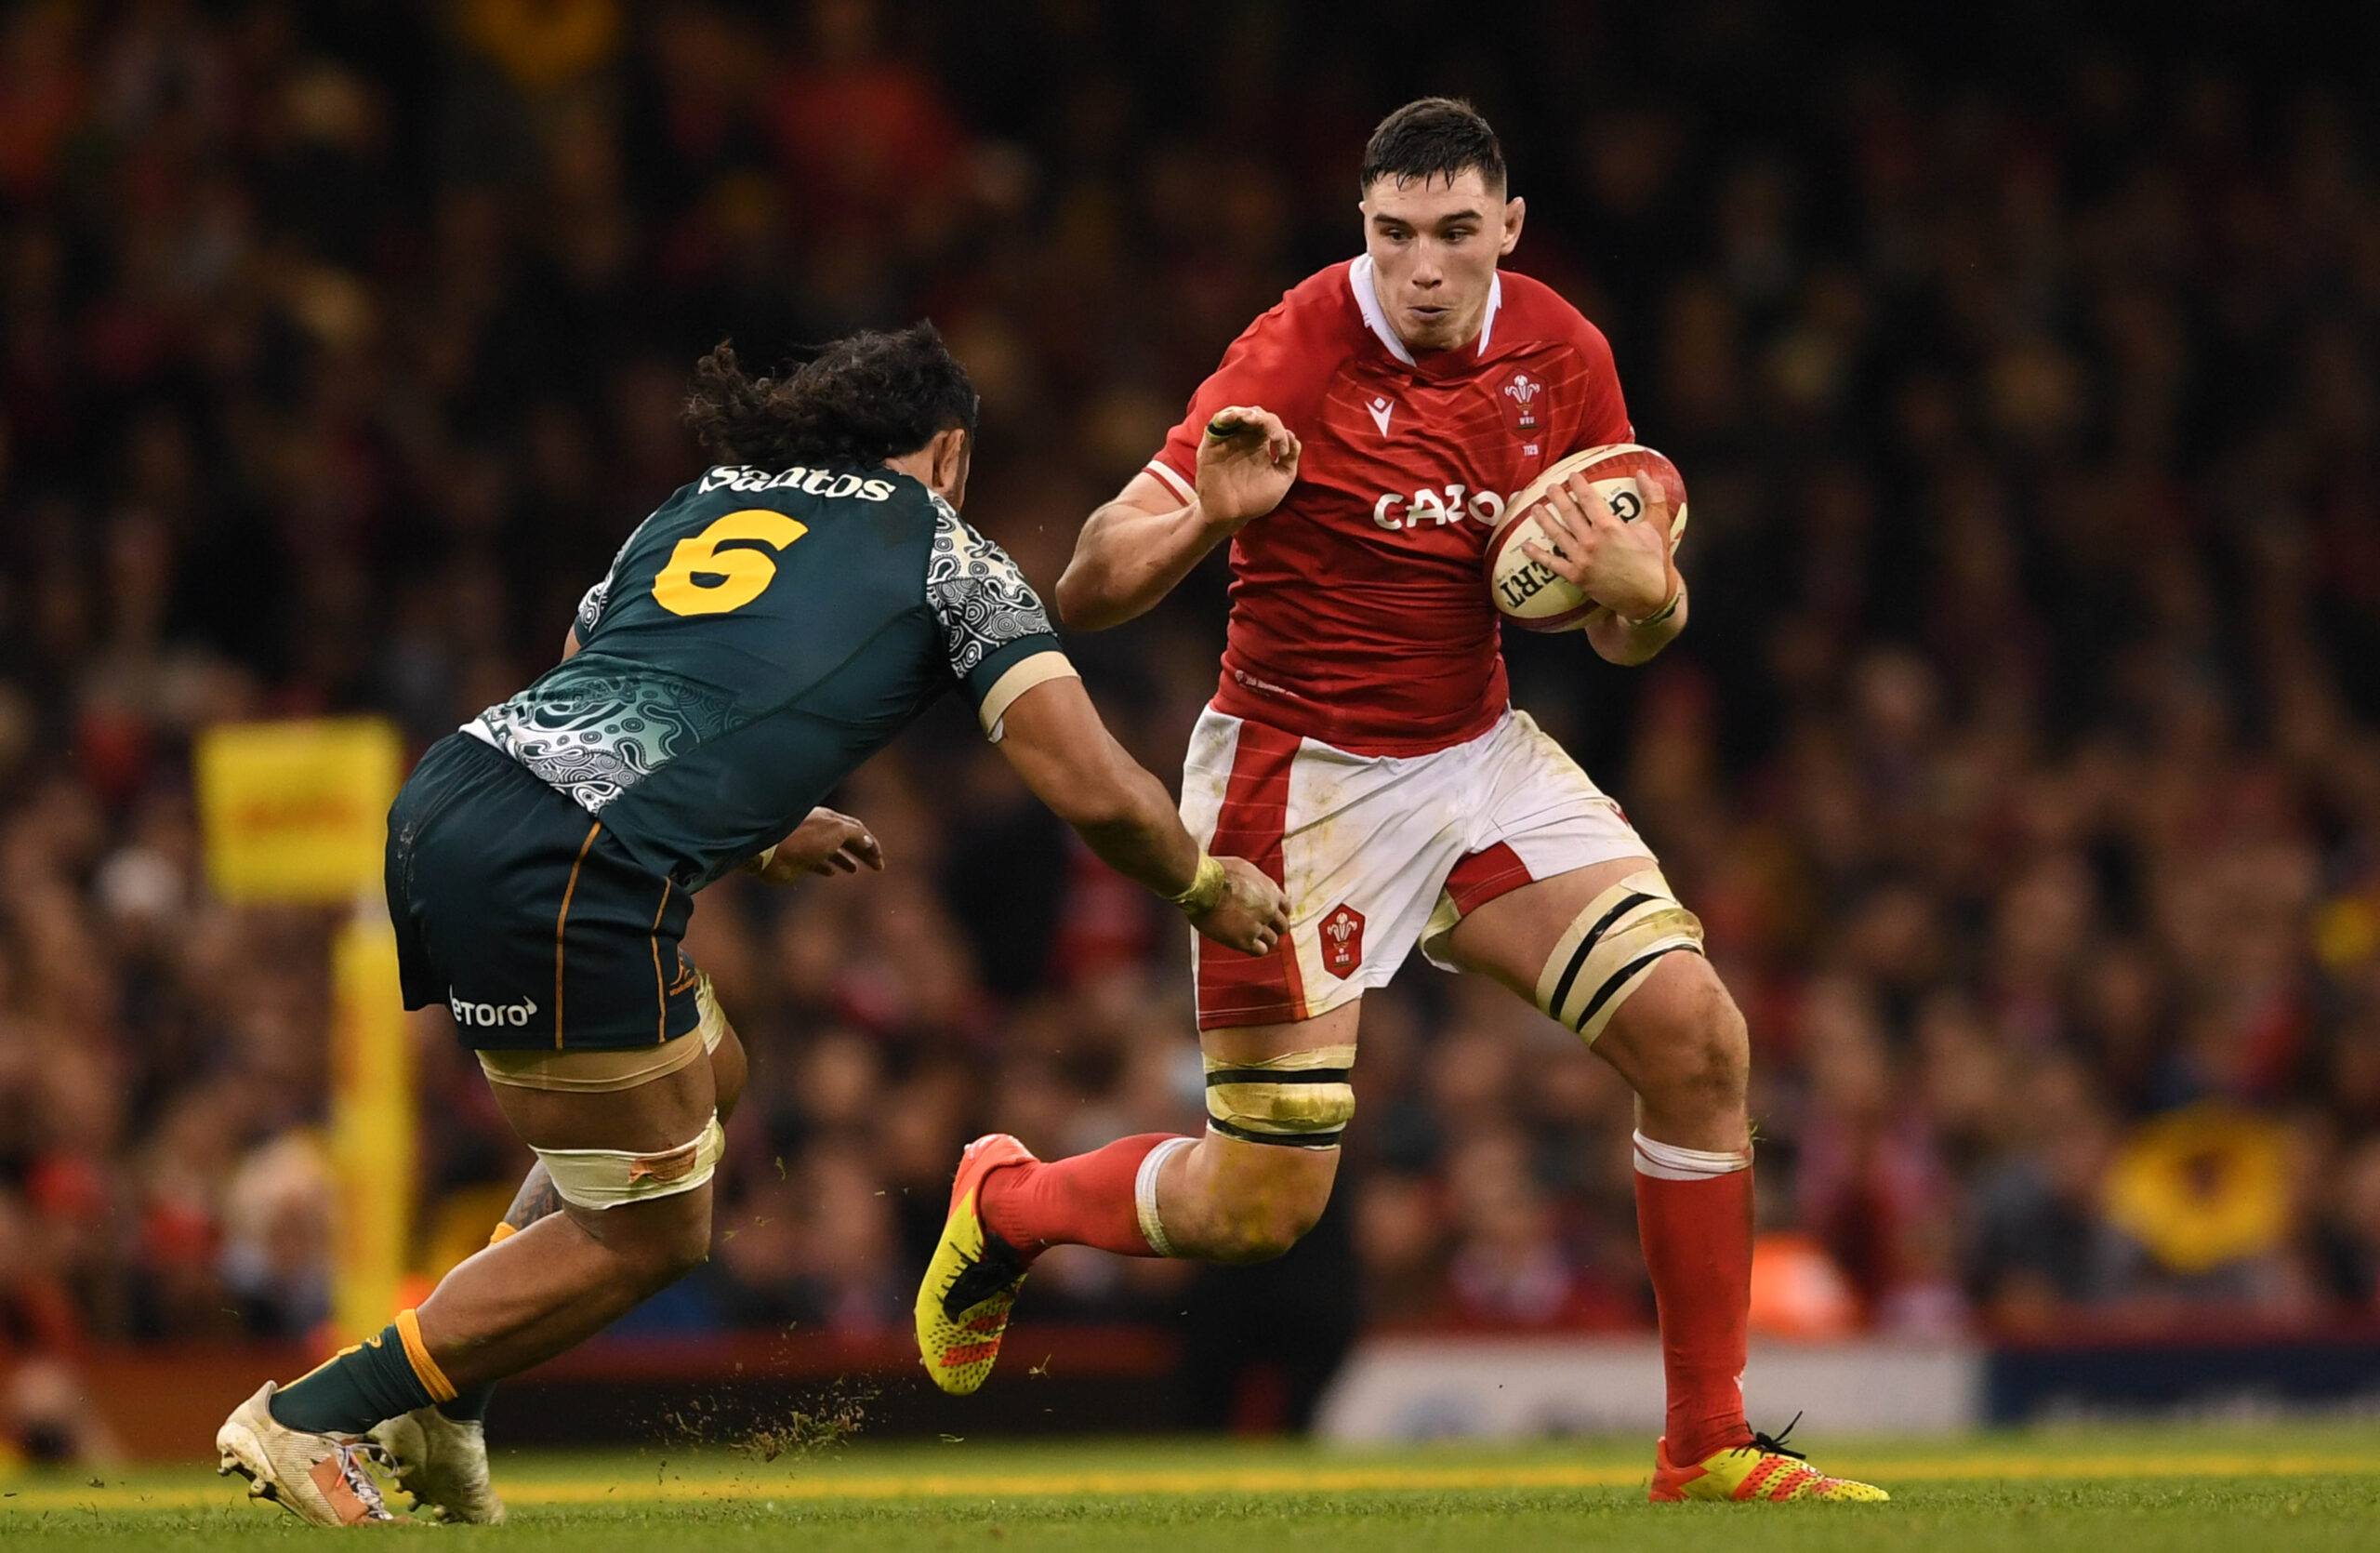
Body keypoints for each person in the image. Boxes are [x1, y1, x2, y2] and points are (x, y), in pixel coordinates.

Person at [912, 100, 1885, 1505]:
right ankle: (1005, 1203)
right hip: (1296, 779)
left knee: (1698, 1036)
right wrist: (1208, 513)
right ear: (1360, 228)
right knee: (1264, 1207)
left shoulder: (1566, 353)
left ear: (1509, 228)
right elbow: (1089, 583)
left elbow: (1628, 613)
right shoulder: (1295, 349)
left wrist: (1652, 598)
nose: (1420, 267)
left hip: (1477, 752)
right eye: (1391, 235)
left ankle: (1706, 1443)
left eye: (1451, 233)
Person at [213, 323, 1289, 1526]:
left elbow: (596, 664)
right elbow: (1093, 787)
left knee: (711, 1071)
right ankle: (323, 1410)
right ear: (946, 452)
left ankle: (446, 1398)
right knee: (656, 1232)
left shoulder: (690, 503)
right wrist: (1203, 884)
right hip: (572, 871)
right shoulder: (949, 551)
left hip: (455, 795)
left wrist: (772, 827)